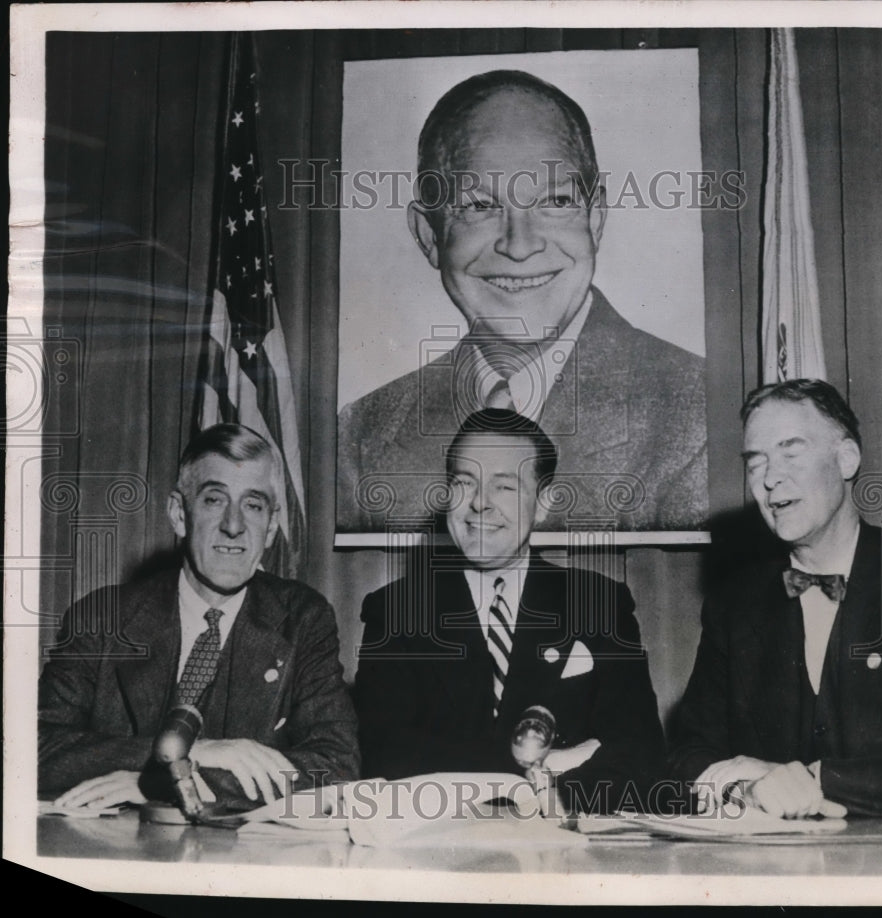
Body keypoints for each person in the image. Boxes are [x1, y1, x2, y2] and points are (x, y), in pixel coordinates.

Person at [337, 69, 707, 533]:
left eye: (553, 201)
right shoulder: (361, 436)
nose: (518, 245)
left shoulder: (696, 414)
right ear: (429, 236)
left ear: (595, 222)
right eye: (478, 206)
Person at [665, 379, 882, 819]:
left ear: (846, 459)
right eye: (755, 462)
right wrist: (745, 787)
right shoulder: (734, 603)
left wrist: (815, 780)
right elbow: (685, 754)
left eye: (791, 452)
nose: (769, 478)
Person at [353, 409, 667, 813]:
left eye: (504, 487)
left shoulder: (600, 604)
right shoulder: (394, 611)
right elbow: (385, 761)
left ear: (543, 503)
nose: (480, 504)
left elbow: (642, 759)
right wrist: (543, 767)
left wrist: (535, 793)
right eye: (464, 483)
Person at [39, 424, 360, 810]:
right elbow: (32, 748)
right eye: (214, 500)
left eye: (253, 505)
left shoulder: (303, 620)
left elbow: (337, 767)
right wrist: (186, 754)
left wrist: (166, 782)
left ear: (271, 527)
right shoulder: (103, 618)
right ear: (179, 514)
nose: (234, 525)